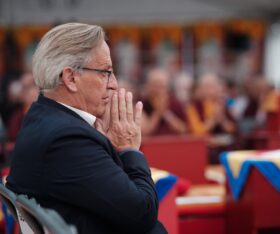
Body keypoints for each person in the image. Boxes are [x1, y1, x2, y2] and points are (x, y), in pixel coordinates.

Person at [6, 23, 167, 234]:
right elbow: (142, 213)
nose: (114, 84)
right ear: (71, 78)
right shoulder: (66, 139)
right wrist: (128, 149)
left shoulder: (44, 118)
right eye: (106, 72)